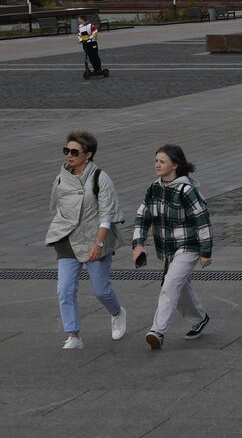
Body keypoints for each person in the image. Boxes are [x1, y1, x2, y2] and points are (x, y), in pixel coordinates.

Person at [47, 131, 126, 350]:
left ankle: (117, 312)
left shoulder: (101, 177)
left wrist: (99, 244)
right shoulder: (62, 176)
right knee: (64, 290)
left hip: (95, 239)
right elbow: (57, 206)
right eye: (66, 150)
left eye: (74, 152)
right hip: (68, 239)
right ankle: (73, 335)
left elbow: (107, 215)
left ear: (88, 154)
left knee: (100, 290)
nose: (69, 155)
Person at [131, 145, 214, 350]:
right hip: (169, 248)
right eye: (156, 161)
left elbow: (202, 221)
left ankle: (157, 331)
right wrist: (138, 244)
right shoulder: (154, 188)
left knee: (170, 286)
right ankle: (200, 318)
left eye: (162, 161)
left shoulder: (187, 191)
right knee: (178, 285)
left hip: (189, 245)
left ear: (175, 165)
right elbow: (143, 216)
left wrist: (205, 252)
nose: (157, 165)